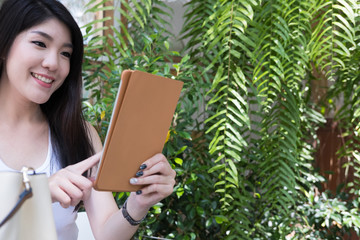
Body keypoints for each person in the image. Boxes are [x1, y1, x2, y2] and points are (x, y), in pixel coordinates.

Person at [0, 0, 176, 239]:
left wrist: (139, 202)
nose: (53, 63)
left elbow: (106, 233)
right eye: (40, 43)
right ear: (4, 44)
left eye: (65, 53)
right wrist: (39, 192)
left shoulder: (78, 132)